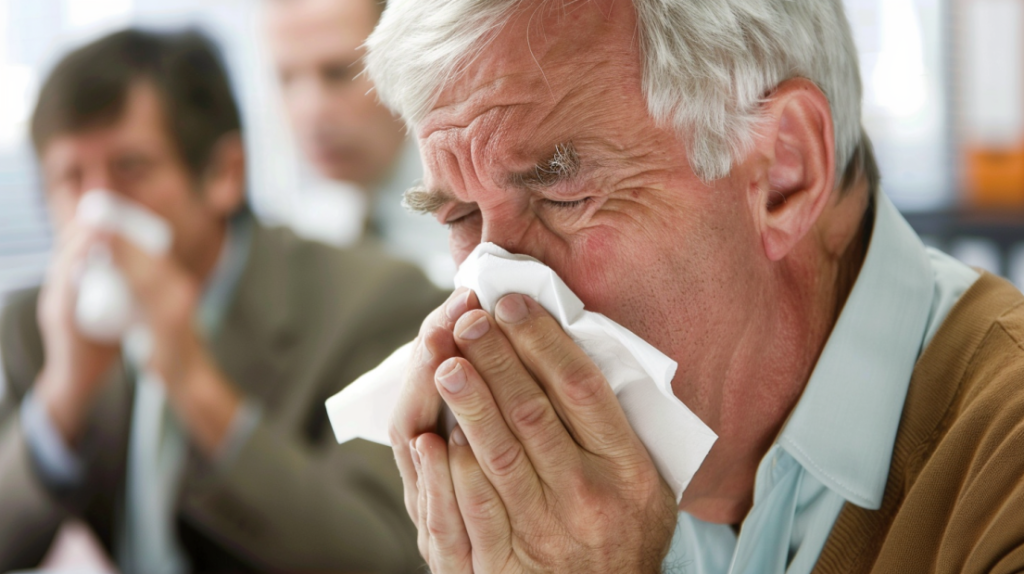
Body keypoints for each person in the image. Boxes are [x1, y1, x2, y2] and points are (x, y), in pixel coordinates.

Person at [365, 1, 1024, 573]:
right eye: (458, 217)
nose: (486, 299)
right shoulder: (552, 498)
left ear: (782, 172)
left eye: (565, 198)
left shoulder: (1000, 470)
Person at [0, 28, 439, 573]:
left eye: (130, 169)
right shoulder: (32, 327)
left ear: (224, 174)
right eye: (71, 179)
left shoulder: (373, 301)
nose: (98, 213)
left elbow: (383, 557)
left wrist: (195, 386)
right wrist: (63, 395)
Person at [265, 0, 452, 285]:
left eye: (339, 72)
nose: (309, 111)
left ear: (408, 60)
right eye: (286, 78)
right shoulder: (307, 230)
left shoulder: (483, 215)